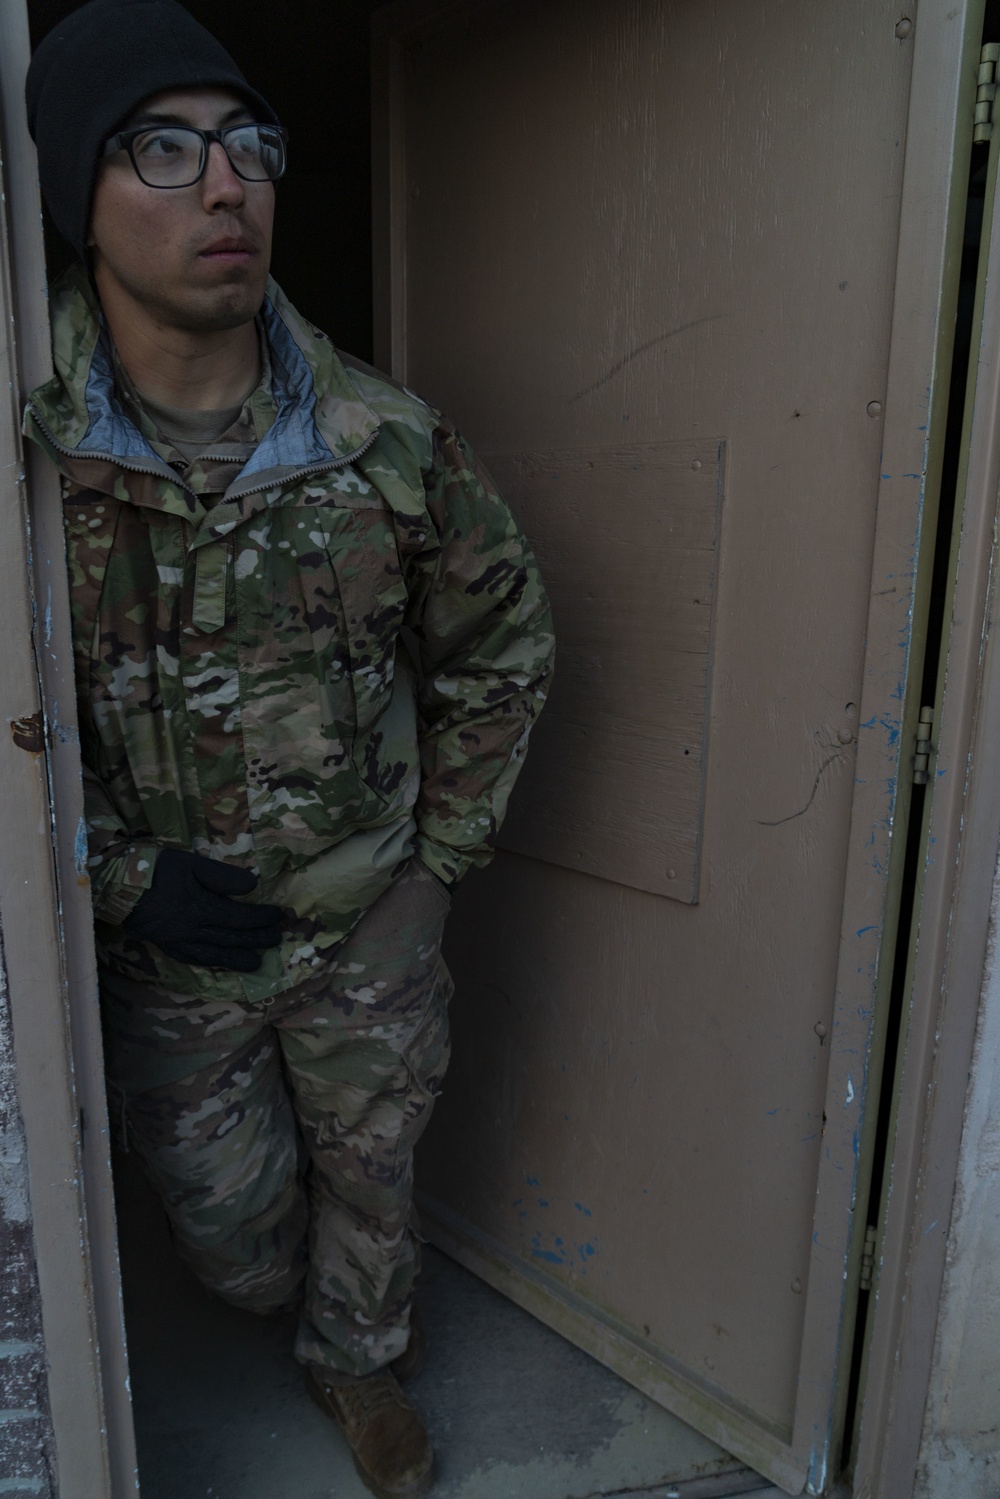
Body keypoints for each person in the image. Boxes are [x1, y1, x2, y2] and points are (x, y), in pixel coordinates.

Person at [23, 4, 553, 1496]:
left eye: (252, 145)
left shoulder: (388, 443)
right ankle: (279, 1307)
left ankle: (358, 1367)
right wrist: (118, 879)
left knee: (375, 1182)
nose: (226, 186)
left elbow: (503, 644)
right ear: (80, 194)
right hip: (169, 948)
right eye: (166, 148)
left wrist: (440, 864)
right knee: (235, 1241)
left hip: (366, 915)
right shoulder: (31, 458)